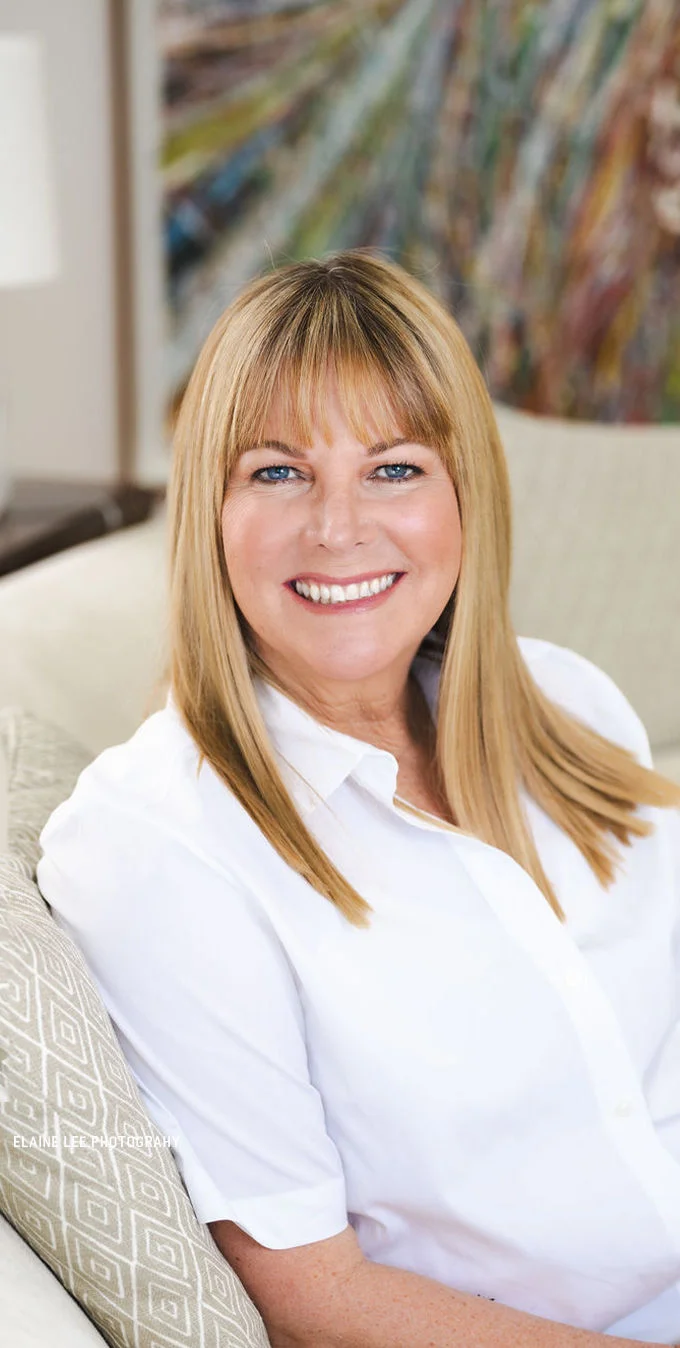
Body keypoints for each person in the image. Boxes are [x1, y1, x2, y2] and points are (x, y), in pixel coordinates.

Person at [37, 250, 680, 1348]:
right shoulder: (155, 846)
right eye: (277, 473)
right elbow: (316, 1300)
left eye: (392, 467)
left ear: (462, 494)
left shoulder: (567, 703)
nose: (338, 527)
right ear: (211, 511)